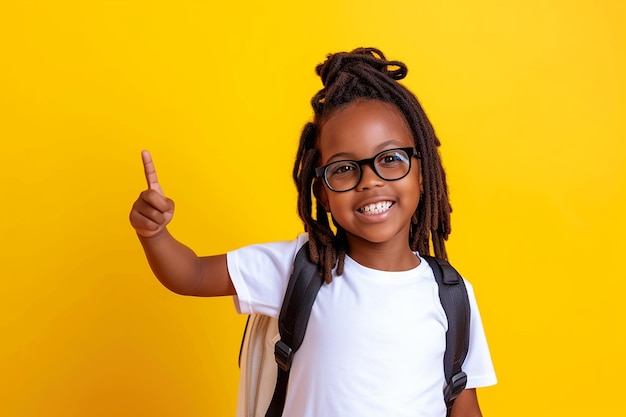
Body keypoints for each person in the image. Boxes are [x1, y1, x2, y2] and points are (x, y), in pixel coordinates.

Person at [130, 47, 497, 417]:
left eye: (390, 159)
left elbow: (464, 404)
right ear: (321, 190)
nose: (369, 181)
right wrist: (155, 234)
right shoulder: (300, 268)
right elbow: (191, 274)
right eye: (344, 168)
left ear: (422, 173)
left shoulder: (452, 295)